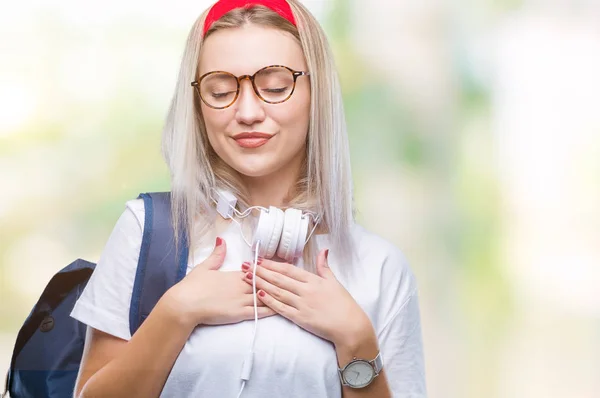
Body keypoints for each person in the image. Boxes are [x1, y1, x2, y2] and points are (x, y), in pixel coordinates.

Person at [70, 0, 427, 397]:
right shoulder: (148, 232)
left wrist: (356, 340)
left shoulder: (380, 268)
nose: (247, 111)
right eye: (220, 90)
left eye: (275, 86)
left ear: (316, 92)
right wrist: (176, 312)